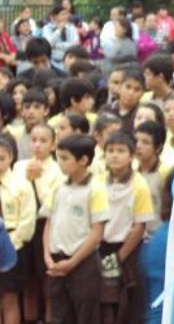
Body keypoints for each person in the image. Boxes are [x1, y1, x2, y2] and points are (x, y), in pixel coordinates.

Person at [41, 134, 109, 324]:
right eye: (58, 157)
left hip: (83, 262)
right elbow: (49, 223)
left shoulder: (96, 189)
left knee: (85, 314)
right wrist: (47, 255)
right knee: (58, 314)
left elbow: (97, 233)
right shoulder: (58, 188)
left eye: (65, 158)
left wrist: (73, 262)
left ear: (83, 160)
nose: (60, 163)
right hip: (57, 261)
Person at [99, 131, 154, 323]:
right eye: (110, 151)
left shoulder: (139, 185)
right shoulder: (98, 181)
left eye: (121, 151)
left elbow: (139, 226)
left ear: (131, 155)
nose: (114, 155)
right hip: (100, 246)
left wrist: (119, 257)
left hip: (127, 249)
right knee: (102, 301)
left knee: (125, 302)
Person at [0, 136, 36, 324]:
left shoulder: (20, 184)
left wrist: (11, 243)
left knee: (9, 297)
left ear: (11, 157)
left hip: (12, 245)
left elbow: (28, 220)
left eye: (1, 158)